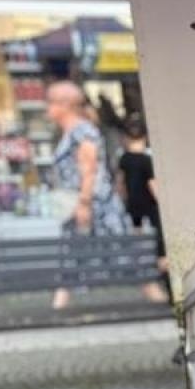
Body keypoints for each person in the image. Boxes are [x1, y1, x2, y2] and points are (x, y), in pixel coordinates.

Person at [46, 80, 130, 311]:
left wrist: (84, 203)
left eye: (50, 102)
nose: (47, 109)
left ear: (65, 104)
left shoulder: (82, 130)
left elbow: (89, 168)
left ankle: (157, 298)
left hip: (95, 205)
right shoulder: (74, 131)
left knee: (122, 252)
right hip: (79, 205)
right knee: (72, 254)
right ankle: (59, 303)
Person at [118, 118, 168, 304]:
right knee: (158, 243)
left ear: (125, 138)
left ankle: (149, 270)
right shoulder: (148, 161)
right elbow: (153, 184)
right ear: (146, 137)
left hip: (133, 208)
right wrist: (163, 202)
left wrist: (124, 199)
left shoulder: (124, 159)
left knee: (140, 242)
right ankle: (162, 274)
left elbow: (121, 184)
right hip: (150, 208)